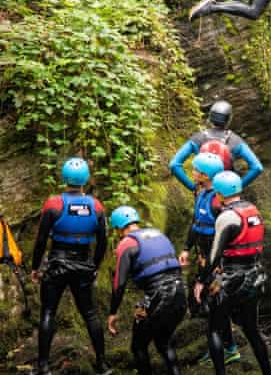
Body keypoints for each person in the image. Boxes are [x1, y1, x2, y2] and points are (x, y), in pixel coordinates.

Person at [30, 157, 110, 375]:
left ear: (65, 178)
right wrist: (94, 266)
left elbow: (40, 240)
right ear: (86, 179)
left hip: (56, 263)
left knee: (48, 313)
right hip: (83, 265)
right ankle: (102, 364)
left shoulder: (54, 204)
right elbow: (103, 241)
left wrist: (35, 268)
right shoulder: (96, 206)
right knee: (90, 314)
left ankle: (43, 366)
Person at [197, 171, 271, 375]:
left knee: (214, 328)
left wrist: (201, 282)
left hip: (232, 279)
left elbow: (213, 256)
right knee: (252, 330)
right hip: (256, 275)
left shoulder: (226, 216)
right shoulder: (254, 211)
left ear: (219, 194)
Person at [107, 206, 186, 375]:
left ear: (119, 228)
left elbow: (119, 284)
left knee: (138, 346)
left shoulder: (126, 243)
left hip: (159, 297)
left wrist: (113, 312)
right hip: (180, 293)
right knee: (164, 342)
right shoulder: (158, 234)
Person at [180, 152, 240, 365]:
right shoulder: (199, 191)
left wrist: (218, 265)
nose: (193, 172)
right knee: (210, 302)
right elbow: (196, 222)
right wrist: (187, 248)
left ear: (205, 175)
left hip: (217, 261)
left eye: (196, 170)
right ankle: (224, 346)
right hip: (203, 255)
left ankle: (229, 348)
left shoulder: (218, 200)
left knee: (216, 303)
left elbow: (225, 233)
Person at [168, 100, 263, 191]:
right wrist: (236, 188)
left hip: (203, 194)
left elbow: (174, 165)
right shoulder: (236, 141)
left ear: (210, 118)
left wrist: (193, 187)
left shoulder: (198, 138)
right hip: (226, 196)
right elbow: (257, 168)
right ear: (229, 119)